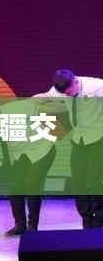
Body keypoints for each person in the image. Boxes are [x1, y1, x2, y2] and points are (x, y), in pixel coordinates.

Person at [35, 69, 103, 228]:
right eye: (64, 94)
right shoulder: (60, 90)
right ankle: (86, 219)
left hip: (98, 138)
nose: (67, 96)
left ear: (75, 82)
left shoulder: (97, 86)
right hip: (78, 139)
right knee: (78, 181)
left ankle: (99, 221)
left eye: (69, 92)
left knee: (95, 181)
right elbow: (45, 96)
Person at [0, 98, 56, 235]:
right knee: (14, 187)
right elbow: (6, 147)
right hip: (22, 153)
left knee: (32, 183)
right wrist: (6, 165)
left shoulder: (23, 107)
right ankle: (20, 225)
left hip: (42, 150)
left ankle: (32, 227)